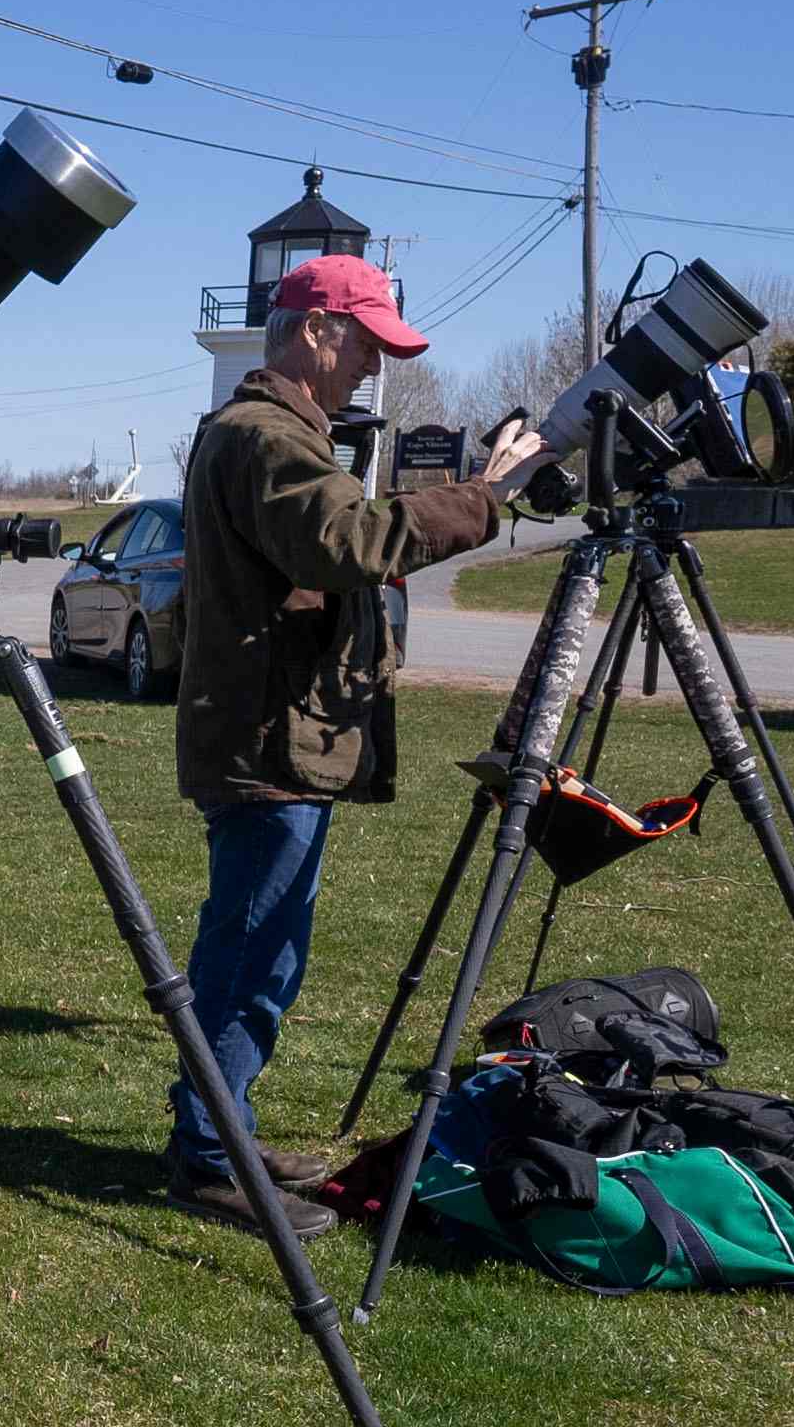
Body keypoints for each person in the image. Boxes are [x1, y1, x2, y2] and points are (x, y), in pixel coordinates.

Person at [165, 252, 536, 1235]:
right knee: (249, 952)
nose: (375, 367)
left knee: (264, 949)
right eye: (367, 344)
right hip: (262, 743)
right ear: (318, 331)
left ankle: (224, 1131)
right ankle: (208, 1158)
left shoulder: (276, 433)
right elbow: (348, 545)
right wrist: (483, 496)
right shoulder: (263, 437)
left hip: (274, 736)